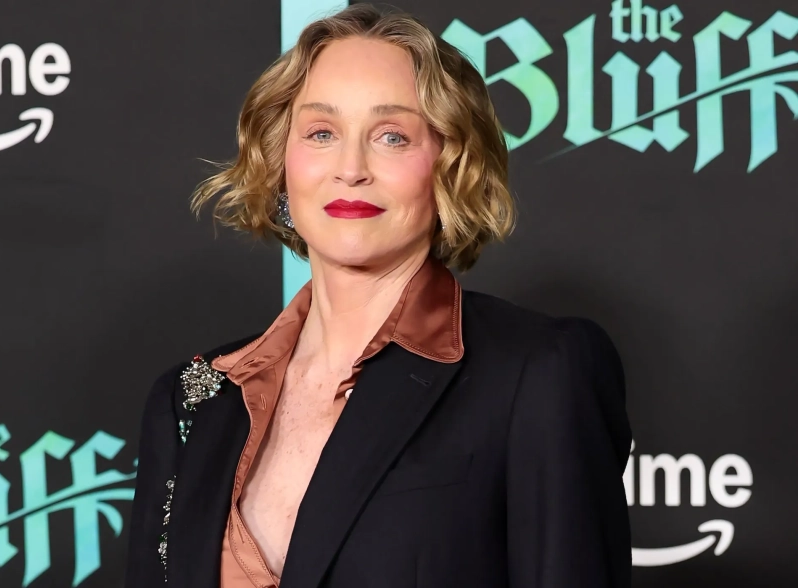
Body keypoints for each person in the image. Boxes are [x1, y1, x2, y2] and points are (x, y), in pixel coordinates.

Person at [124, 4, 632, 587]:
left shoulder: (539, 372)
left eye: (392, 137)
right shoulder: (194, 397)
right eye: (321, 133)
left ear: (451, 164)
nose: (351, 168)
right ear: (280, 162)